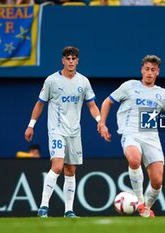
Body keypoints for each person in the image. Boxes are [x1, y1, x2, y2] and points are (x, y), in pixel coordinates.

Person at [24, 46, 101, 218]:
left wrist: (99, 121)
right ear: (63, 60)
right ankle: (43, 207)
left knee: (70, 170)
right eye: (68, 58)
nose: (71, 61)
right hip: (56, 130)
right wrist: (31, 125)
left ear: (78, 60)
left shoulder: (83, 82)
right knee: (57, 166)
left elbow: (92, 105)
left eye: (74, 58)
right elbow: (40, 103)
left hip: (74, 132)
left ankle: (68, 210)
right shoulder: (52, 80)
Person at [98, 55, 165, 218]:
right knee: (134, 160)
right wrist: (102, 123)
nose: (149, 73)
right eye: (147, 69)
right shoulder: (129, 86)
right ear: (142, 70)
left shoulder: (162, 94)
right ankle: (140, 202)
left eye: (153, 70)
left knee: (157, 181)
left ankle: (146, 208)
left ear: (158, 72)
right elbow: (107, 102)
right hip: (131, 133)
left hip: (151, 138)